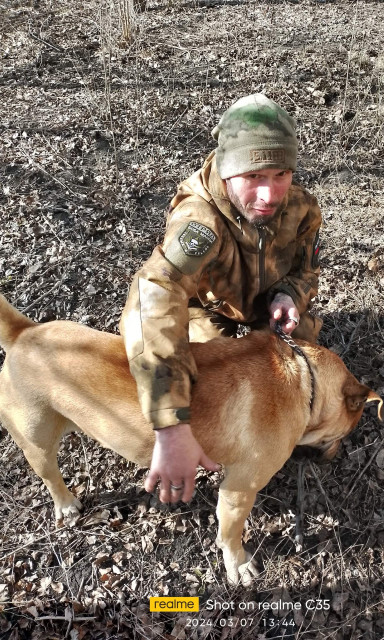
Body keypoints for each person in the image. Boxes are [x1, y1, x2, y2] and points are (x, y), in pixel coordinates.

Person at [120, 94, 323, 505]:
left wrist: (289, 295)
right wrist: (170, 425)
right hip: (208, 308)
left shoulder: (300, 207)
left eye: (281, 172)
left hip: (265, 305)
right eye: (253, 175)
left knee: (303, 345)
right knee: (213, 376)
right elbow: (154, 295)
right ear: (228, 170)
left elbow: (307, 270)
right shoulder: (200, 220)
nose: (269, 193)